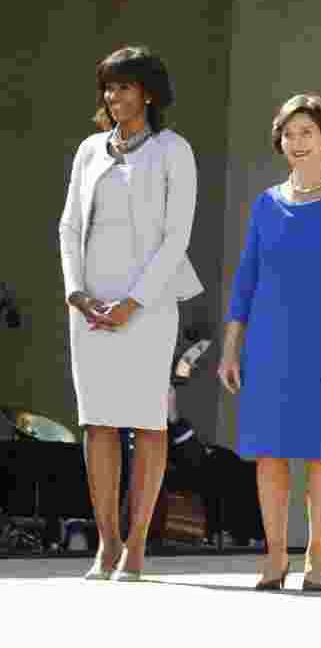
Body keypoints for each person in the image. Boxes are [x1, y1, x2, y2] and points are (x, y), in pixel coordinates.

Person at [58, 45, 203, 581]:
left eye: (123, 85)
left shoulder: (173, 150)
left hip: (149, 304)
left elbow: (176, 237)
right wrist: (77, 292)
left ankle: (138, 545)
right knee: (97, 422)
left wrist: (133, 302)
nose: (113, 95)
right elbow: (69, 227)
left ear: (148, 91)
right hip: (91, 306)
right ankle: (107, 542)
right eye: (108, 86)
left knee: (145, 422)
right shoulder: (89, 150)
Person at [218, 93, 321, 592]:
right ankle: (275, 553)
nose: (298, 142)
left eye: (307, 132)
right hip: (268, 344)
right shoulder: (266, 204)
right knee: (270, 452)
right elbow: (246, 278)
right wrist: (230, 346)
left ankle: (318, 552)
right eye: (289, 134)